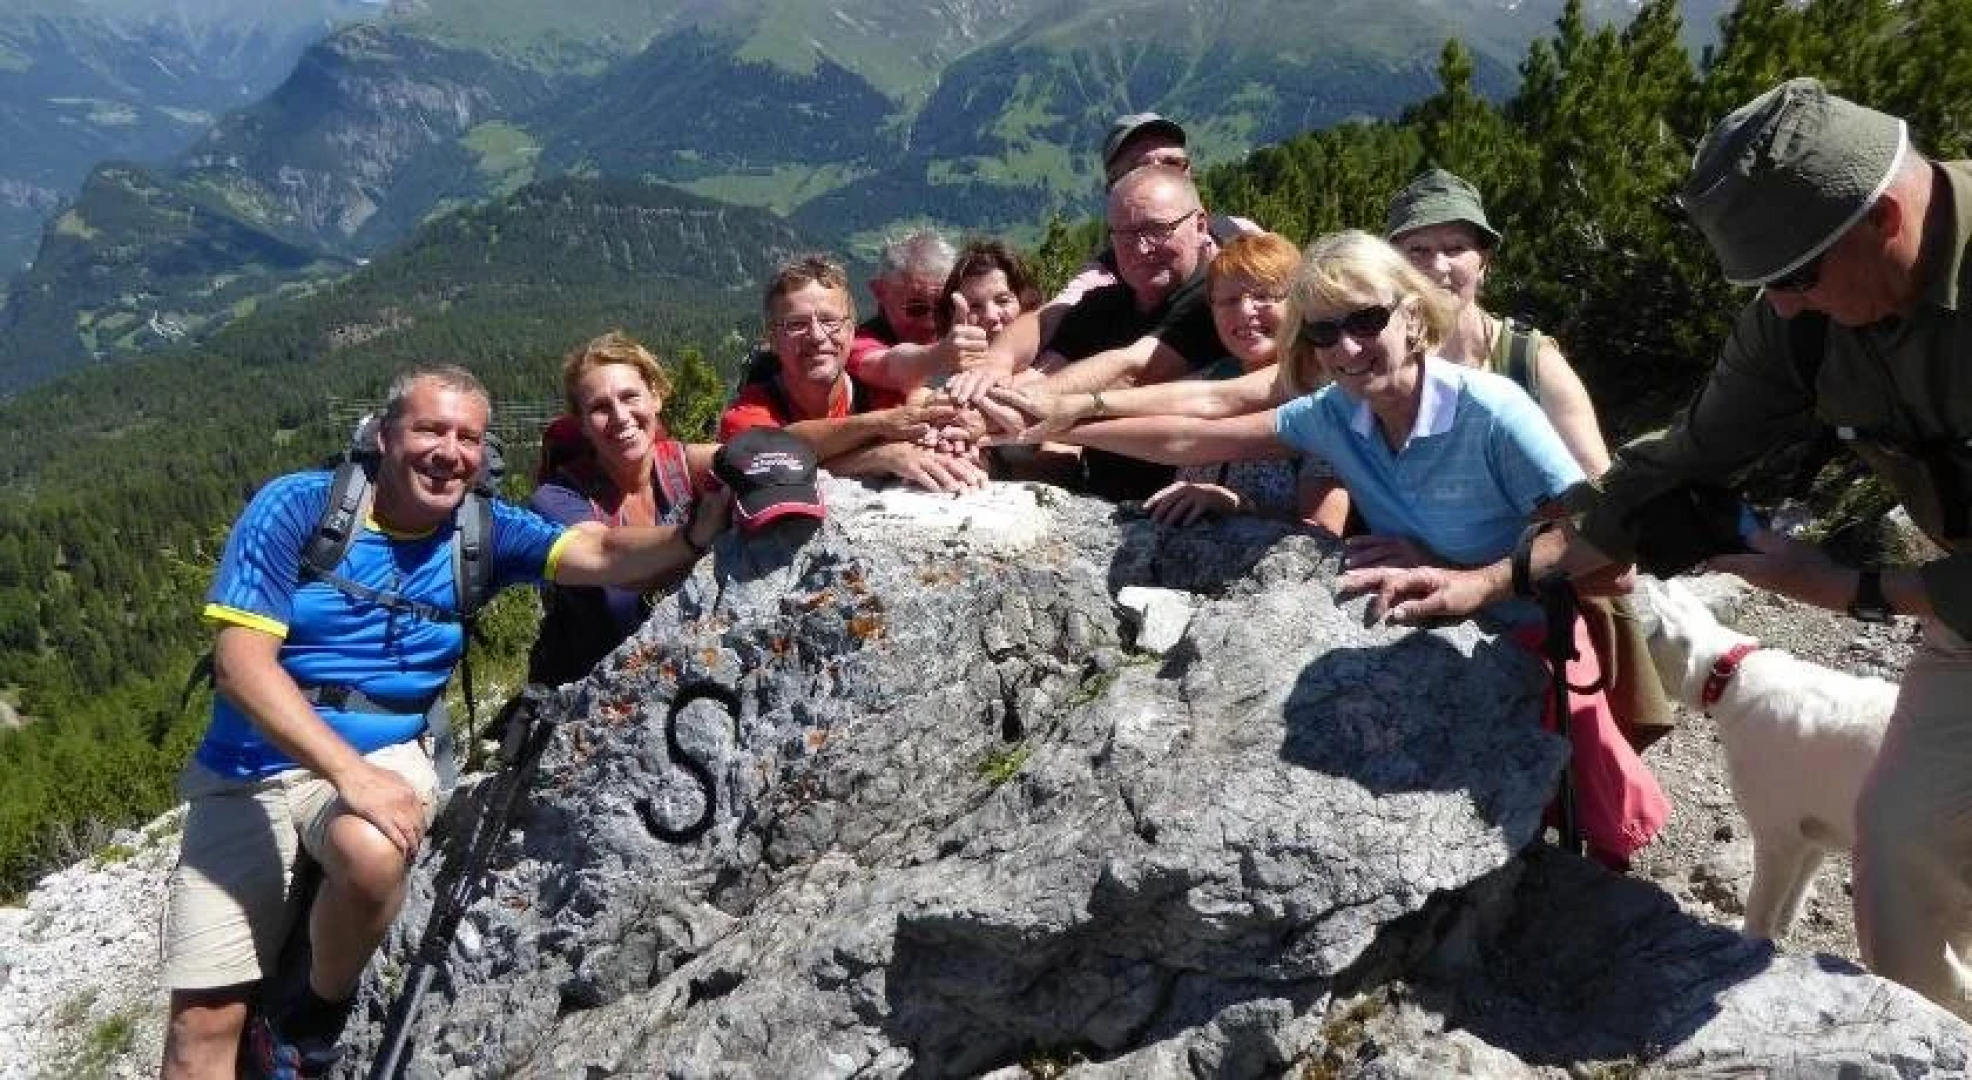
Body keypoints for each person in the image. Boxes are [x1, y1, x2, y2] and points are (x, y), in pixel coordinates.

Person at [1340, 78, 1972, 1020]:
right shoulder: (1799, 313)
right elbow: (1670, 465)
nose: (1784, 309)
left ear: (1883, 216)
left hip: (1928, 591)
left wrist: (1851, 589)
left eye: (1795, 279)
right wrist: (1496, 579)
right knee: (1896, 850)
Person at [1006, 230, 1668, 866]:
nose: (1346, 348)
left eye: (1364, 320)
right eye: (1323, 333)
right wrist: (1074, 421)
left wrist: (1474, 580)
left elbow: (1602, 543)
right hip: (1435, 635)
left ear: (1412, 316)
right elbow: (1196, 438)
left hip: (1527, 643)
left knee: (1579, 833)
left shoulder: (1491, 411)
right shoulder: (1339, 414)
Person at [160, 365, 734, 1079]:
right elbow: (241, 663)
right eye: (430, 429)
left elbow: (602, 551)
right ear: (384, 434)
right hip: (248, 766)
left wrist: (692, 532)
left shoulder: (482, 533)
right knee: (200, 1027)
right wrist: (350, 774)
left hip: (391, 737)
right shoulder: (299, 507)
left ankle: (306, 1021)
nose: (449, 451)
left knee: (373, 854)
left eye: (467, 437)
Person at [1386, 168, 1611, 475]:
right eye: (1418, 250)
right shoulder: (1372, 357)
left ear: (1483, 264)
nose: (1439, 266)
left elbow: (1595, 483)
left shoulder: (1529, 361)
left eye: (1455, 248)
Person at [527, 331, 718, 686]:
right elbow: (613, 558)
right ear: (582, 423)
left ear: (656, 397)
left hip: (685, 676)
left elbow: (762, 451)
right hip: (587, 696)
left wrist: (856, 430)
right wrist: (698, 534)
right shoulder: (558, 499)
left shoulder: (680, 465)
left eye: (630, 396)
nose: (619, 416)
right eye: (600, 407)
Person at [718, 254, 988, 494]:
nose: (816, 336)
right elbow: (773, 453)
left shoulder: (884, 395)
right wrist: (878, 450)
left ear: (851, 331)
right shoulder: (748, 412)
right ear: (773, 340)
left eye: (829, 321)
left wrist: (962, 432)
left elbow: (926, 415)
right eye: (796, 324)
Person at [844, 228, 996, 396]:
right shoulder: (857, 342)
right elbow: (890, 367)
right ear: (880, 292)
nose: (930, 322)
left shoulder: (974, 322)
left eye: (942, 305)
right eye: (916, 308)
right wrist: (939, 355)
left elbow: (1028, 322)